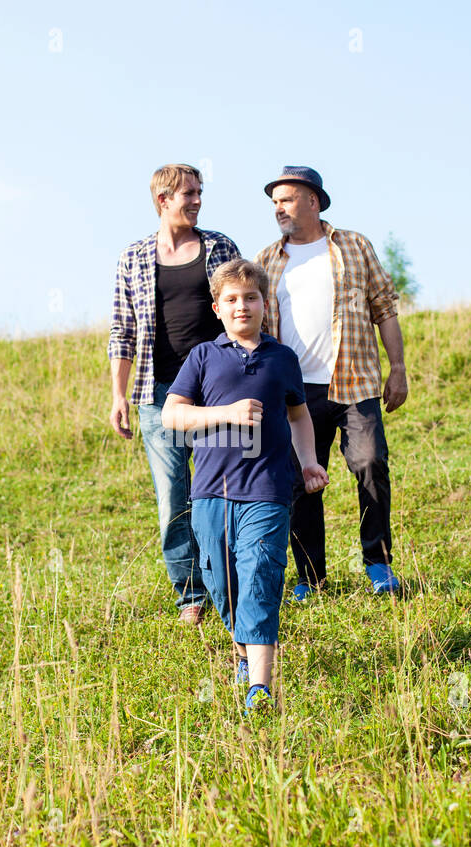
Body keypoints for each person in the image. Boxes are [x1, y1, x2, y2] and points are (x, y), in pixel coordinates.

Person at [162, 259, 328, 712]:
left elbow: (298, 414)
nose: (242, 307)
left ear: (264, 304)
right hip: (211, 490)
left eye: (250, 298)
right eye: (232, 300)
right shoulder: (202, 357)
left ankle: (260, 685)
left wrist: (309, 463)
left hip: (268, 489)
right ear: (217, 308)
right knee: (221, 581)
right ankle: (241, 646)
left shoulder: (282, 358)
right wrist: (226, 413)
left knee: (260, 574)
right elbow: (172, 416)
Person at [254, 166, 409, 598]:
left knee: (370, 464)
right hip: (295, 393)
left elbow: (385, 308)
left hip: (355, 382)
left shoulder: (354, 245)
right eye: (274, 203)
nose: (278, 209)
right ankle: (310, 578)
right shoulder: (267, 260)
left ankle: (378, 565)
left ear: (313, 200)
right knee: (301, 482)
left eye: (285, 199)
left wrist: (397, 368)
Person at [109, 164, 242, 625]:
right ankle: (190, 593)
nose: (197, 200)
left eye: (200, 192)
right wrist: (118, 395)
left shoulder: (220, 247)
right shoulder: (134, 257)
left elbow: (243, 308)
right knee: (173, 498)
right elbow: (122, 331)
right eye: (189, 194)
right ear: (163, 200)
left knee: (222, 493)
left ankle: (231, 579)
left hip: (215, 391)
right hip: (156, 394)